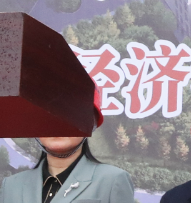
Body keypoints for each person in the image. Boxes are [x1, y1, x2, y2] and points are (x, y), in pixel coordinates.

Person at [0, 84, 134, 202]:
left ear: (89, 124)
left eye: (69, 114)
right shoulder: (11, 185)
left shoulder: (112, 180)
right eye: (48, 114)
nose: (57, 124)